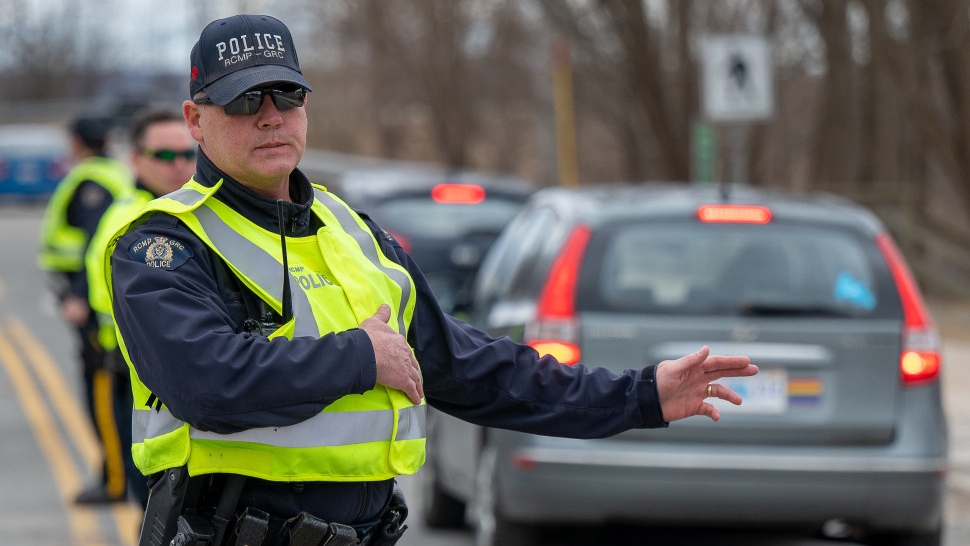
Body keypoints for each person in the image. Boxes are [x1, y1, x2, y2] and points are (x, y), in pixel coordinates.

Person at [105, 14, 758, 546]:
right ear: (195, 120)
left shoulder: (351, 229)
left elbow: (471, 368)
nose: (271, 115)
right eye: (244, 100)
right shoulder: (162, 246)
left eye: (288, 94)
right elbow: (209, 383)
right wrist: (361, 357)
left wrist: (640, 396)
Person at [85, 106, 197, 509]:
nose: (179, 165)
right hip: (136, 379)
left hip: (194, 384)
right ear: (135, 158)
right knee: (151, 502)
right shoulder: (129, 221)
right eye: (165, 156)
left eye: (188, 154)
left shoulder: (201, 211)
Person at [37, 115, 133, 504]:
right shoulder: (114, 174)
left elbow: (98, 241)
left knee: (104, 395)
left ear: (77, 142)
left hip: (94, 308)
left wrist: (76, 294)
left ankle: (114, 479)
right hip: (100, 303)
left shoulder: (92, 183)